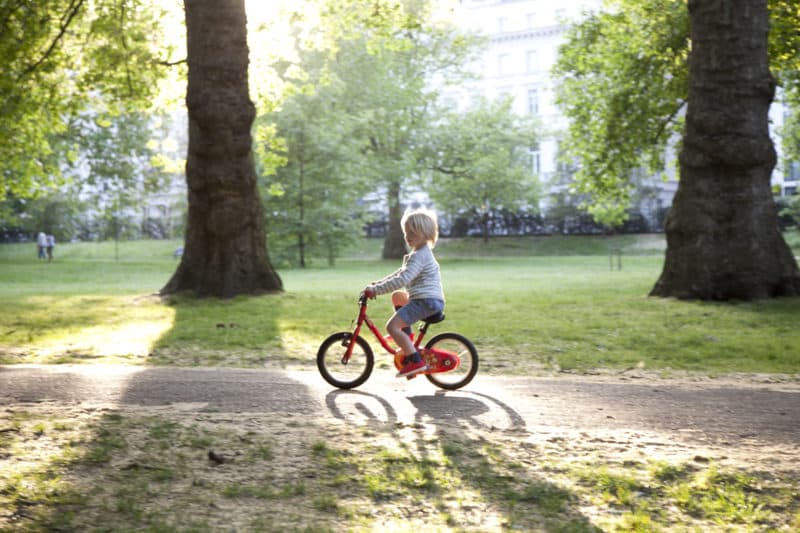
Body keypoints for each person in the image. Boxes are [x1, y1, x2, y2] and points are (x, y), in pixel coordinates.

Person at [362, 208, 445, 378]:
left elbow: (402, 279)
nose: (408, 236)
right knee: (398, 296)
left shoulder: (419, 256)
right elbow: (400, 274)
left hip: (425, 301)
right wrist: (379, 283)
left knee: (391, 326)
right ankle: (407, 339)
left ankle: (414, 360)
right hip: (427, 299)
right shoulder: (417, 254)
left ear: (425, 234)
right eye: (406, 232)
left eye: (412, 232)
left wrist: (376, 290)